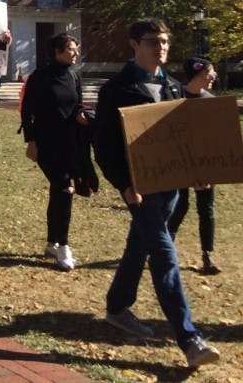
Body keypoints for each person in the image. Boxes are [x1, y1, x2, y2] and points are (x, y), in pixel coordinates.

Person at [94, 18, 219, 368]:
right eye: (152, 41)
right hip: (140, 188)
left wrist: (195, 173)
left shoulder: (175, 88)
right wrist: (124, 184)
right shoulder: (116, 89)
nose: (160, 47)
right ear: (134, 44)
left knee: (140, 245)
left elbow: (183, 139)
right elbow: (103, 145)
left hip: (171, 187)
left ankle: (117, 306)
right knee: (164, 255)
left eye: (164, 41)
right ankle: (190, 339)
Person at [20, 33, 96, 271]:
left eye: (76, 49)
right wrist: (30, 141)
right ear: (57, 52)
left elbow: (78, 104)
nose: (76, 53)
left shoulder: (74, 76)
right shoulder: (40, 77)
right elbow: (27, 111)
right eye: (71, 49)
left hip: (70, 142)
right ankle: (63, 246)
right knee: (65, 188)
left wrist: (83, 116)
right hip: (46, 143)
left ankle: (52, 242)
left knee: (58, 191)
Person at [167, 57, 220, 275]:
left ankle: (208, 255)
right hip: (179, 162)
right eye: (210, 73)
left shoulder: (211, 101)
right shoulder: (175, 97)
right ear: (196, 75)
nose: (213, 77)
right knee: (179, 205)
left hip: (205, 163)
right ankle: (164, 247)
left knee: (206, 208)